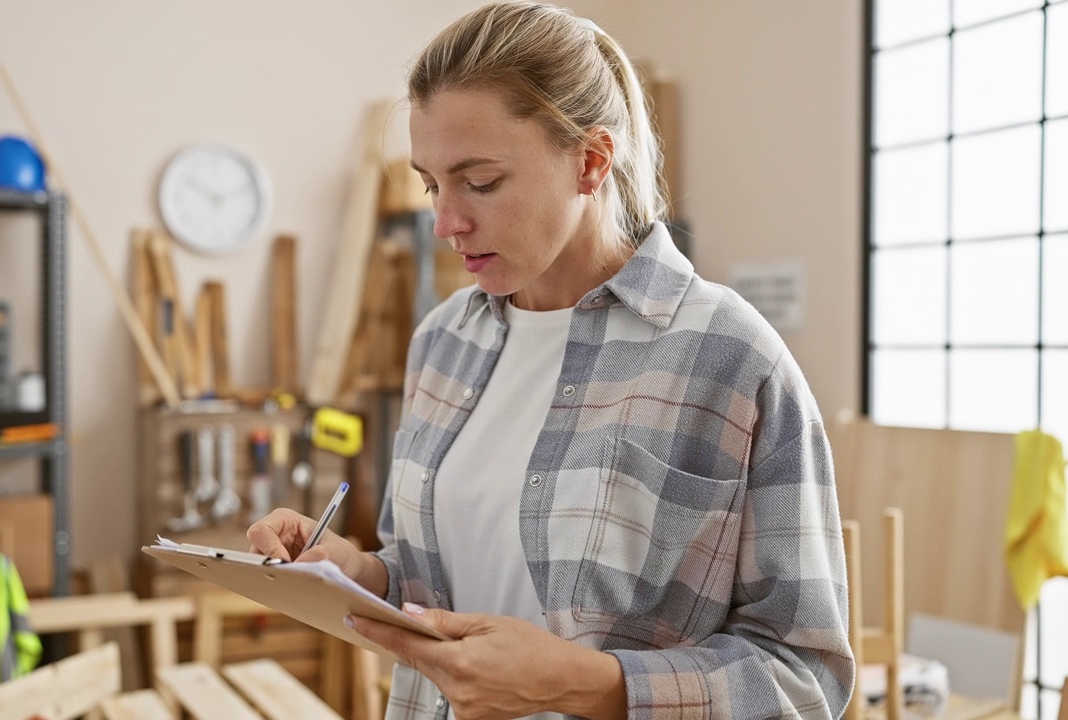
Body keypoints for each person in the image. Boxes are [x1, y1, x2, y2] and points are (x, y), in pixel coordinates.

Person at [248, 3, 856, 718]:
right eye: (431, 184)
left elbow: (804, 676)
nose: (446, 221)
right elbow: (443, 584)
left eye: (480, 182)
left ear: (592, 161)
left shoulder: (730, 358)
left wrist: (588, 685)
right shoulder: (443, 342)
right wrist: (364, 576)